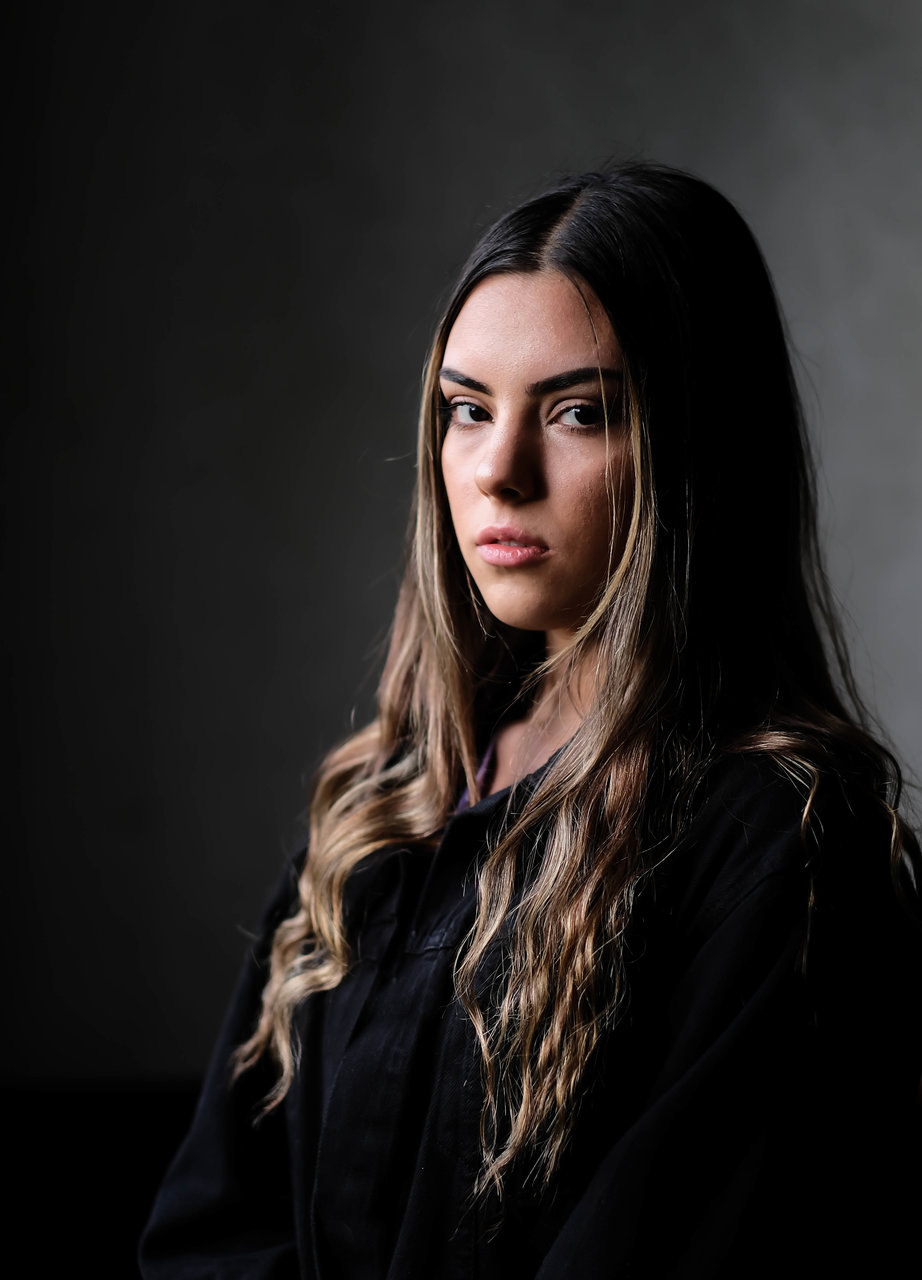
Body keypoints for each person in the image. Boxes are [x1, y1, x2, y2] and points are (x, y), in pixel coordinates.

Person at [140, 163, 921, 1278]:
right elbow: (211, 1223)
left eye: (578, 413)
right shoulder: (389, 804)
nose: (498, 472)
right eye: (468, 409)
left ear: (698, 444)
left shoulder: (780, 838)